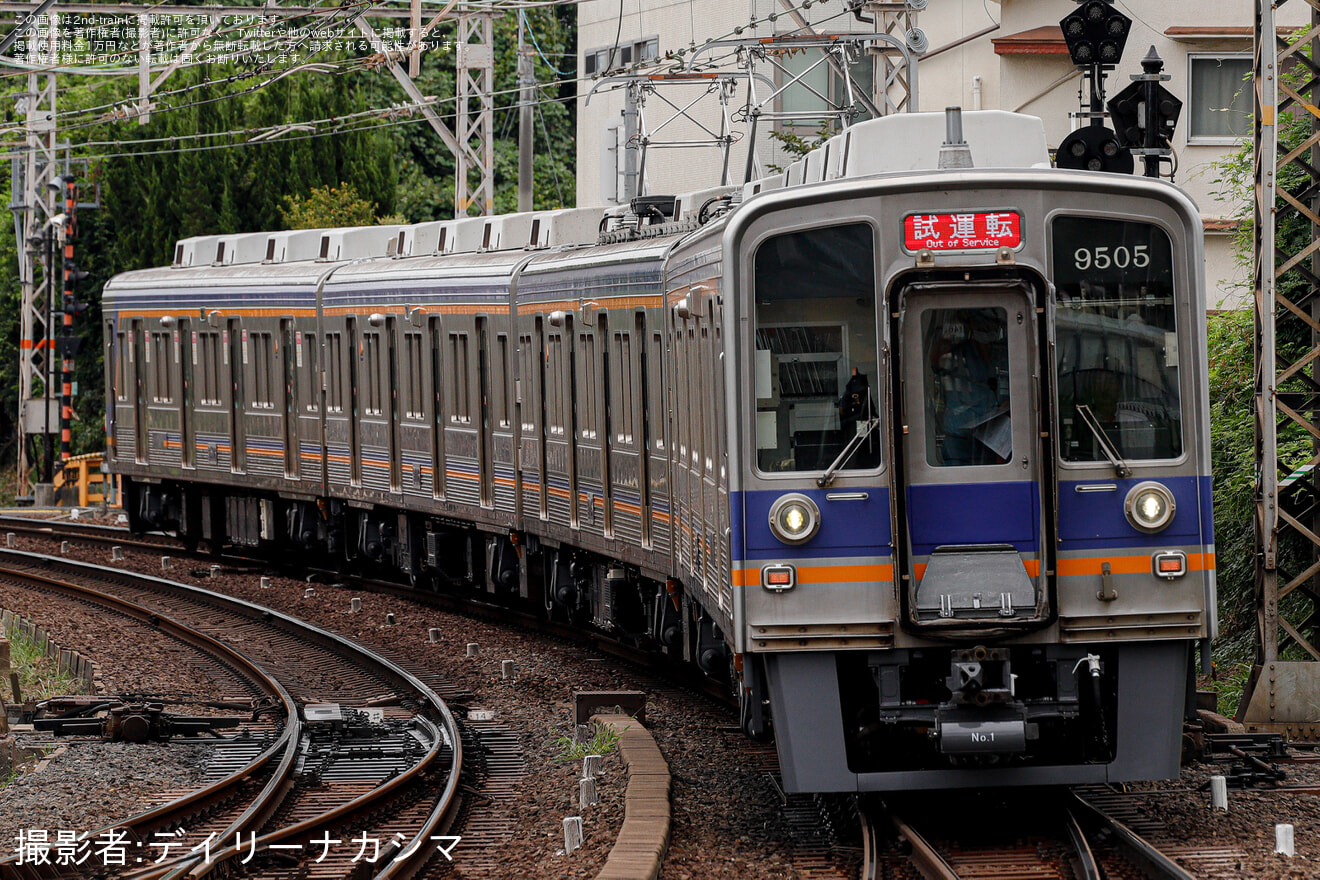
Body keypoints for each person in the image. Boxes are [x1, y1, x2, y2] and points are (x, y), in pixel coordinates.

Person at [928, 311, 1007, 466]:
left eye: (989, 323)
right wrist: (945, 337)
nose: (984, 328)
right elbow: (935, 365)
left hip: (993, 436)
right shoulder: (957, 352)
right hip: (959, 435)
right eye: (979, 323)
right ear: (970, 324)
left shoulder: (1004, 353)